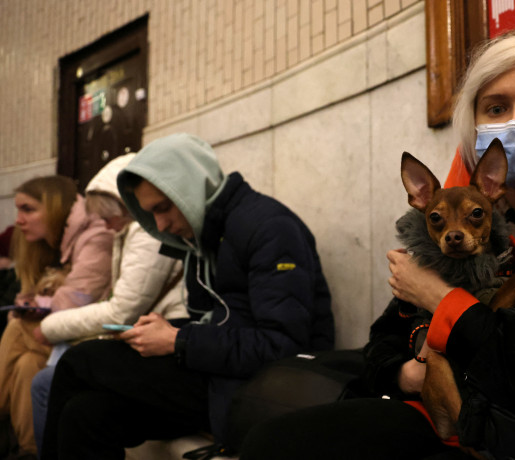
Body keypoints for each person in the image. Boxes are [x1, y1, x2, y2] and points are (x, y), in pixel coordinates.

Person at [240, 29, 515, 459]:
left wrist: (441, 299)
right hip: (459, 405)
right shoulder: (451, 213)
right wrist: (406, 373)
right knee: (275, 434)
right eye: (495, 109)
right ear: (473, 128)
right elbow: (387, 336)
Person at [41, 133, 335, 459]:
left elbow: (283, 345)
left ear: (191, 188)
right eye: (150, 213)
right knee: (85, 414)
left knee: (79, 361)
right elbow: (218, 320)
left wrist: (177, 341)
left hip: (258, 386)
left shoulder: (269, 228)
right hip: (218, 376)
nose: (161, 225)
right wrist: (164, 331)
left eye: (164, 208)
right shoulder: (202, 236)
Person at [30, 153, 189, 456]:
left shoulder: (147, 233)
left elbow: (122, 309)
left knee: (54, 376)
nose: (103, 225)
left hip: (168, 339)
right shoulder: (131, 231)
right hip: (158, 334)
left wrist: (50, 326)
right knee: (64, 388)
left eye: (107, 216)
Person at [0, 176, 113, 459]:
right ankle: (31, 452)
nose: (20, 220)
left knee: (15, 329)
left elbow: (75, 302)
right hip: (58, 340)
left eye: (28, 209)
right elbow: (30, 295)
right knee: (28, 365)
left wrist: (33, 305)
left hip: (89, 338)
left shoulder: (96, 234)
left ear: (53, 207)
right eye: (18, 210)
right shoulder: (48, 241)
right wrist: (31, 302)